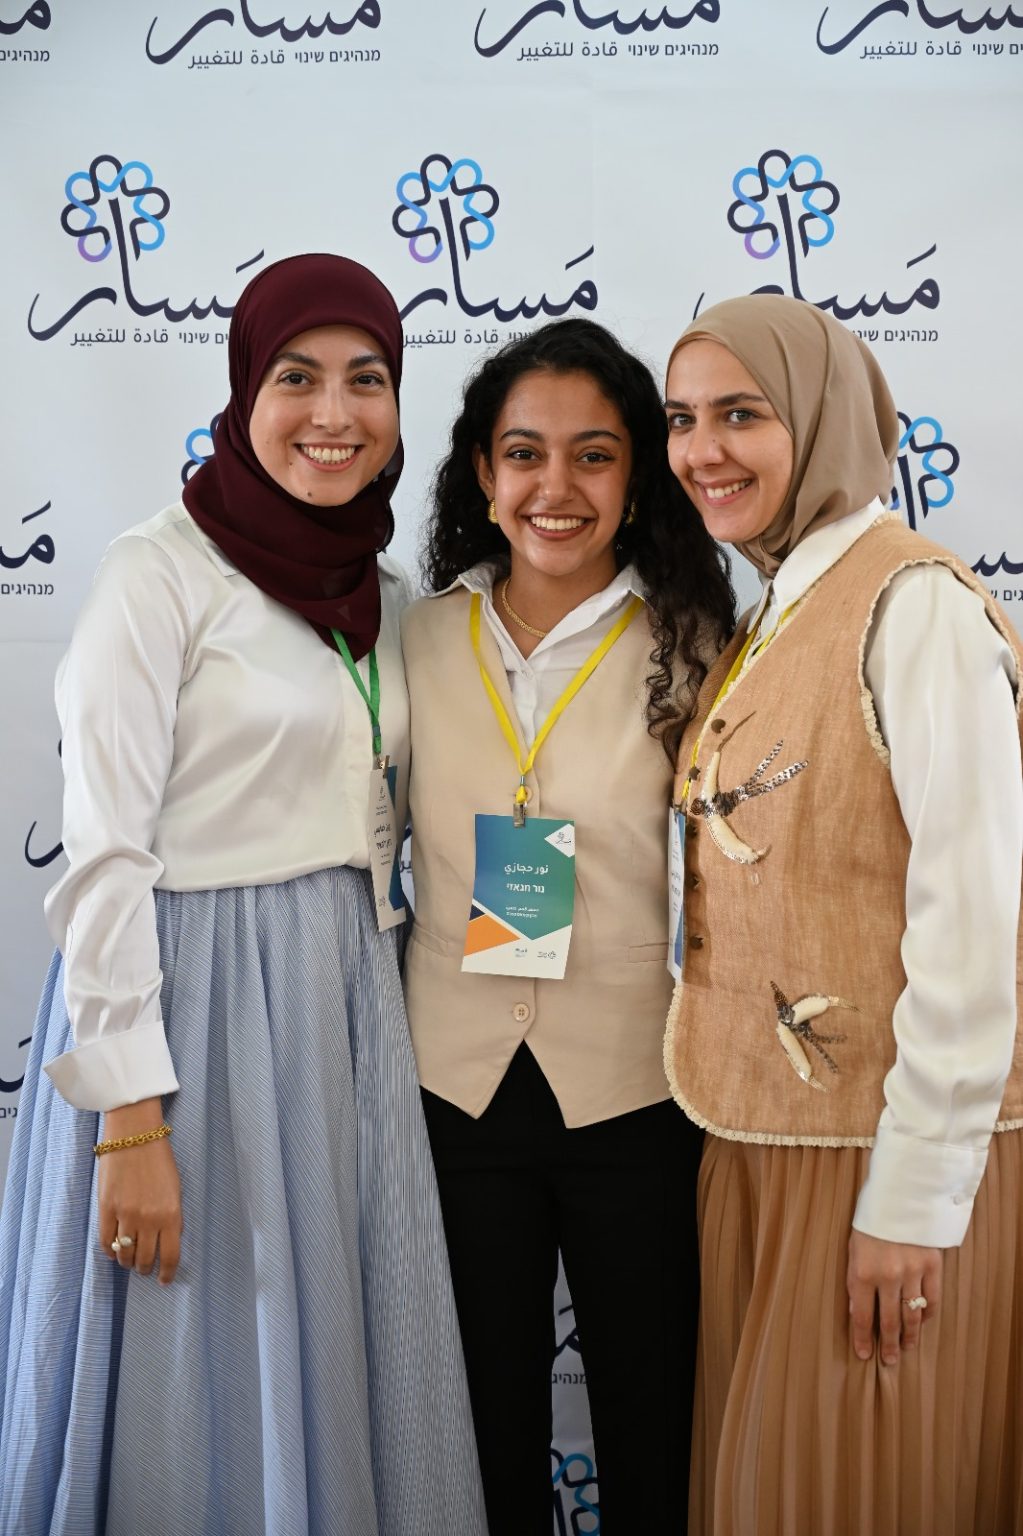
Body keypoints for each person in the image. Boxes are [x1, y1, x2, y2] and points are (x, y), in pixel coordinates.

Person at [0, 253, 486, 1536]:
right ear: (242, 391)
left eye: (367, 381)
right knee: (195, 1344)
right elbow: (105, 855)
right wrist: (131, 1121)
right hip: (190, 1007)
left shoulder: (382, 596)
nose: (334, 413)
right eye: (296, 379)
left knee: (326, 1338)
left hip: (339, 999)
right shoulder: (157, 575)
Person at [661, 293, 1023, 1536]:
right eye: (682, 420)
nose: (703, 450)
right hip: (763, 1143)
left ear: (821, 419)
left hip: (880, 1159)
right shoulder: (778, 607)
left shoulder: (913, 604)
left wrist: (914, 1202)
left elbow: (976, 923)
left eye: (741, 415)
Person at [401, 318, 736, 1534]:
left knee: (654, 1416)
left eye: (594, 456)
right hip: (453, 1093)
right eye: (524, 453)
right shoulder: (410, 638)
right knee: (477, 1424)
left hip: (636, 1092)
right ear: (482, 474)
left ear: (638, 478)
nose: (556, 486)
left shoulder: (698, 647)